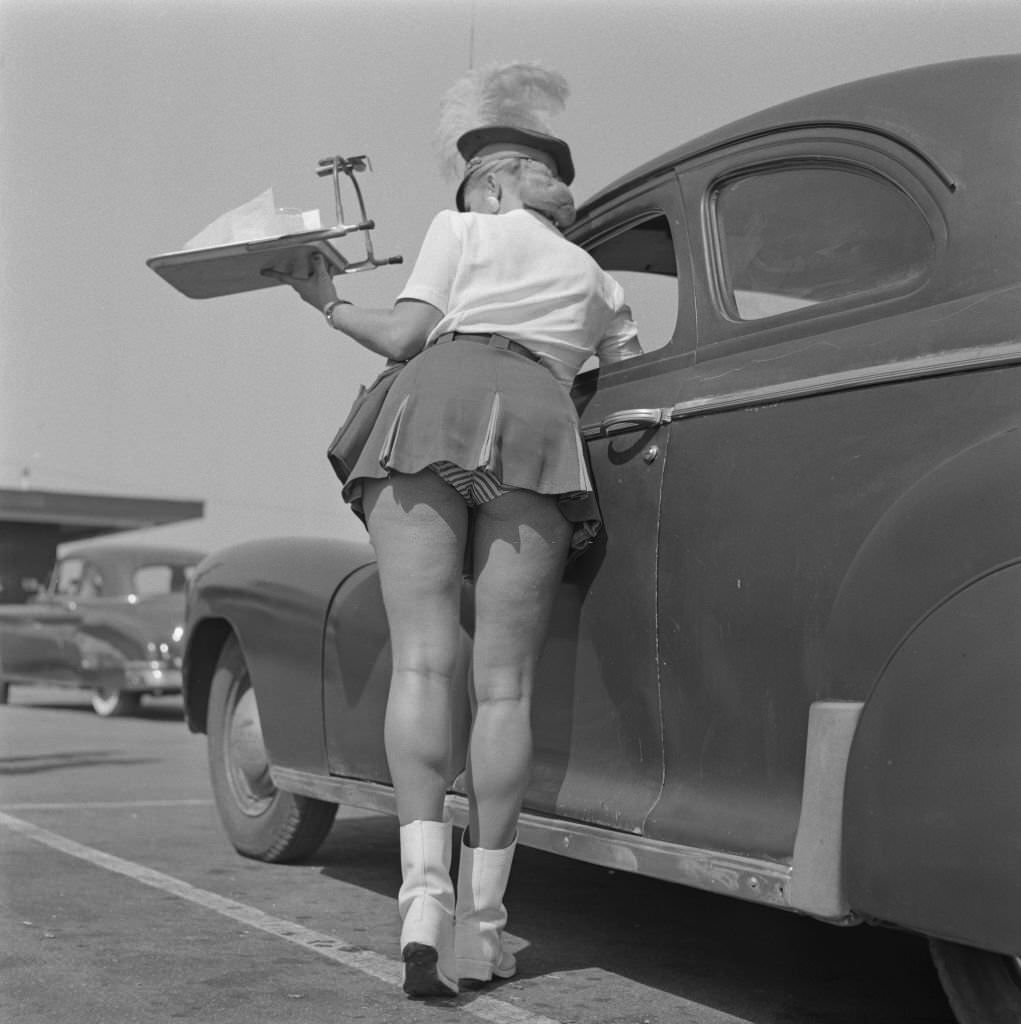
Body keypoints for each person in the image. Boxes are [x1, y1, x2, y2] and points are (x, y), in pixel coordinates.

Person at [269, 110, 641, 998]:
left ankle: (422, 908)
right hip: (541, 427)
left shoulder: (461, 227)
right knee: (506, 686)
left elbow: (402, 338)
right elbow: (622, 380)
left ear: (494, 187)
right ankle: (484, 925)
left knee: (425, 665)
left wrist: (326, 303)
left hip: (430, 407)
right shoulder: (600, 282)